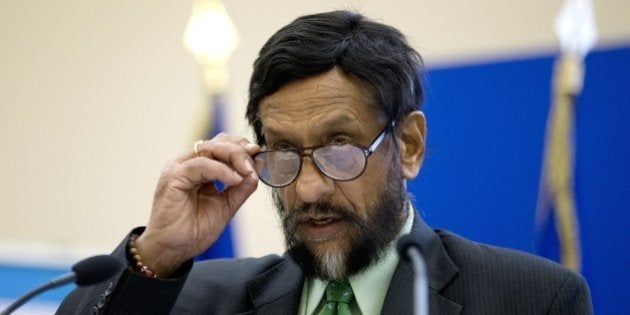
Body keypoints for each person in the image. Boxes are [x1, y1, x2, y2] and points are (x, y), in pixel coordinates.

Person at [57, 10, 593, 315]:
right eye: (284, 152)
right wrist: (159, 253)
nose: (309, 189)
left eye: (339, 147)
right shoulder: (201, 299)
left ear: (408, 145)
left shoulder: (533, 299)